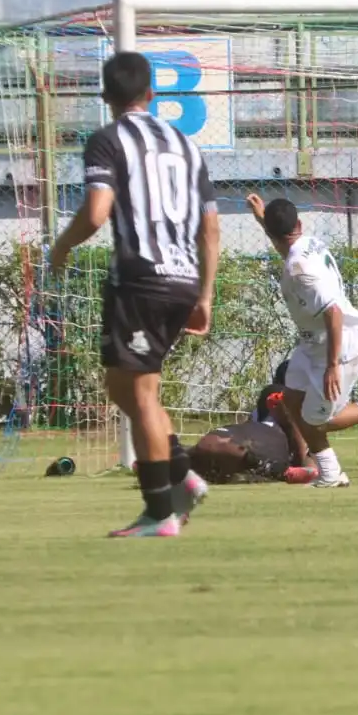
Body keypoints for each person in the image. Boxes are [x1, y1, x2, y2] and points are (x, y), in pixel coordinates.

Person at [49, 51, 218, 537]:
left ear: (106, 97)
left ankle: (160, 512)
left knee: (140, 392)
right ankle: (183, 476)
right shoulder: (186, 143)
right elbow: (210, 226)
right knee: (124, 387)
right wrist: (204, 294)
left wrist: (62, 244)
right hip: (183, 278)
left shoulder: (107, 140)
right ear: (153, 93)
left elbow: (98, 212)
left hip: (141, 277)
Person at [246, 194, 358, 487]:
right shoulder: (305, 242)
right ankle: (331, 474)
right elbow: (285, 244)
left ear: (273, 233)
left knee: (317, 421)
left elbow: (333, 313)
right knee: (291, 402)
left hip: (338, 347)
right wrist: (262, 219)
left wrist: (332, 365)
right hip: (312, 345)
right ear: (299, 223)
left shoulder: (301, 269)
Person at [187, 362, 317, 485]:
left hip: (244, 439)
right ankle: (275, 470)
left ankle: (270, 469)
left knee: (208, 448)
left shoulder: (271, 399)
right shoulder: (278, 393)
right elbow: (292, 423)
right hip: (260, 443)